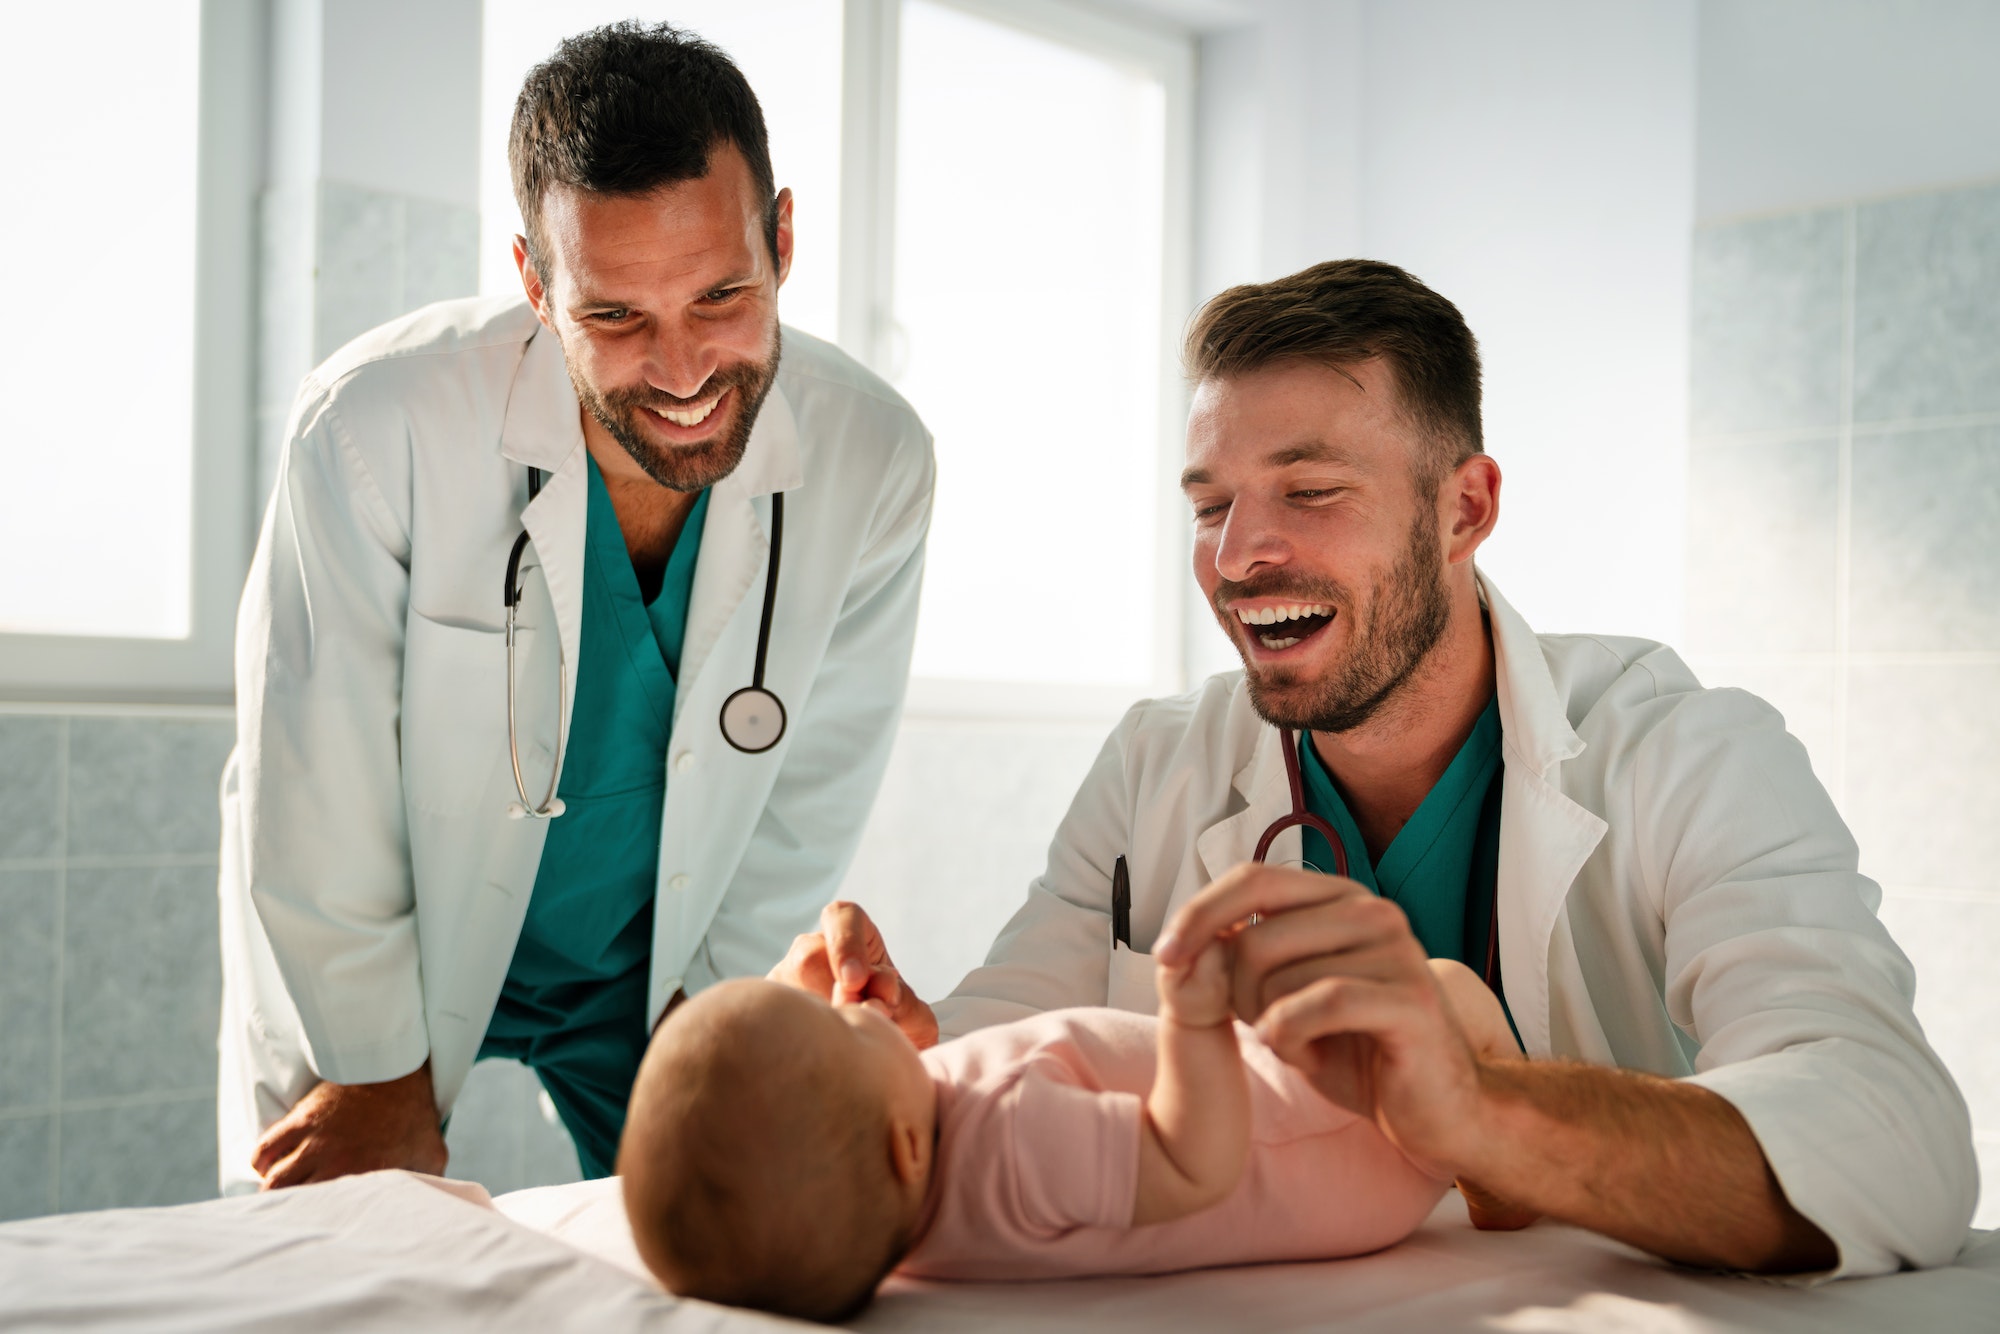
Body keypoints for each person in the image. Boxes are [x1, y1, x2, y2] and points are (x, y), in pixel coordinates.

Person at [772, 259, 1977, 1278]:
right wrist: (892, 1040)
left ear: (1464, 508)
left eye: (1308, 491)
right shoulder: (1156, 763)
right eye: (1209, 506)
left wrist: (1487, 1111)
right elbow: (1002, 1055)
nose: (1239, 556)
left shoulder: (1686, 754)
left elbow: (1895, 1139)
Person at [217, 23, 933, 1191]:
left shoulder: (876, 457)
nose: (685, 367)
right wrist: (375, 1071)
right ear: (536, 285)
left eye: (722, 295)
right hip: (387, 942)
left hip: (650, 962)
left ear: (784, 240)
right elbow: (315, 765)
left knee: (722, 1252)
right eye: (614, 316)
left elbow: (811, 784)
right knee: (336, 1275)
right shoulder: (375, 425)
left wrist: (709, 1013)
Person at [621, 936, 1520, 1323]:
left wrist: (851, 1044)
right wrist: (1196, 1011)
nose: (845, 1010)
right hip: (1342, 1134)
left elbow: (867, 1104)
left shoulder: (900, 1205)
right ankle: (1499, 1173)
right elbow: (1190, 1162)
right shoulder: (1010, 1140)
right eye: (835, 1025)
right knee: (1440, 990)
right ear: (902, 1146)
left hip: (1292, 1110)